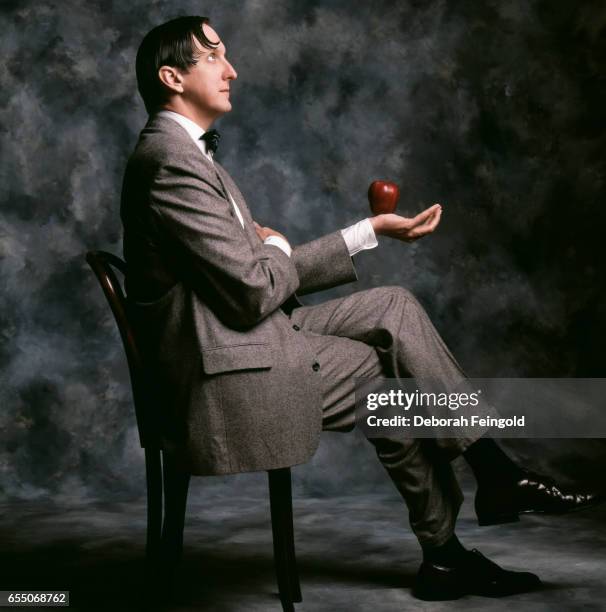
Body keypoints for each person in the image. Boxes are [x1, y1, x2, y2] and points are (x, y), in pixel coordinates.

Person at [120, 16, 600, 601]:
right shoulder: (171, 163)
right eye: (214, 56)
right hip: (222, 373)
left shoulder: (187, 157)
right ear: (172, 76)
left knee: (393, 307)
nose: (232, 69)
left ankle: (490, 474)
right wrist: (271, 245)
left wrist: (368, 231)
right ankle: (456, 534)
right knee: (387, 383)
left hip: (245, 335)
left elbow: (253, 278)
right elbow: (251, 290)